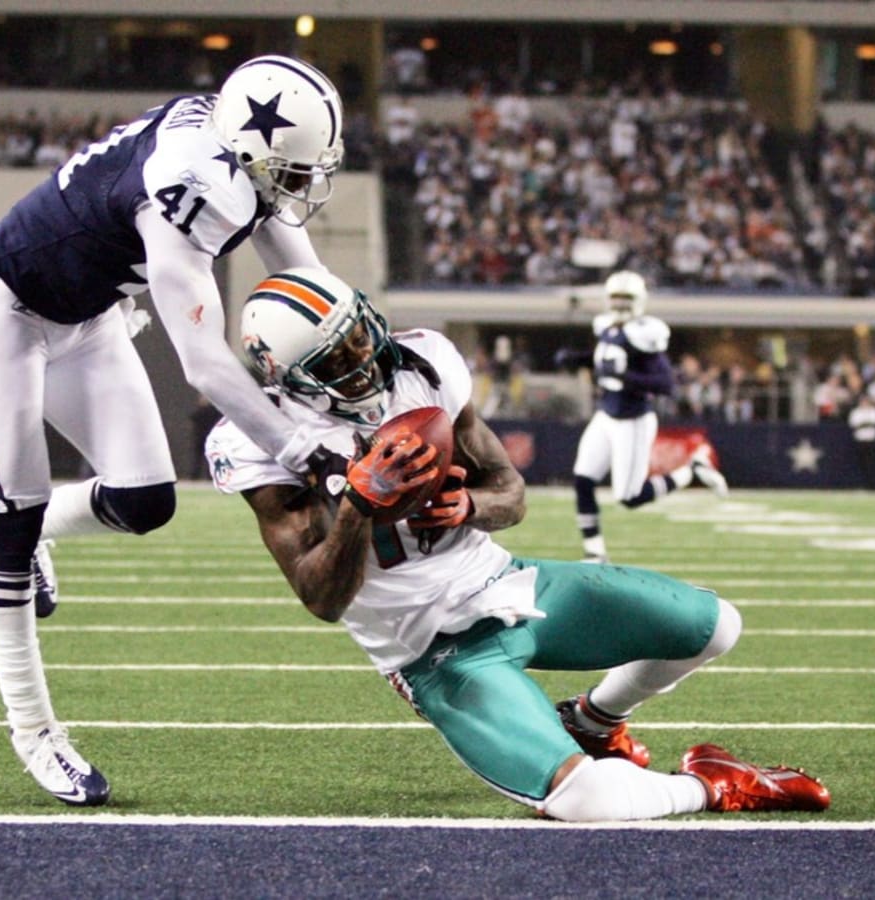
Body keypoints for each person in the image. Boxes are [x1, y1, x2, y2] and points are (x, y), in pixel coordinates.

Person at [204, 267, 830, 822]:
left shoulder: (421, 366)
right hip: (431, 649)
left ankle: (594, 722)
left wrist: (472, 505)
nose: (365, 356)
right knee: (588, 802)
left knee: (717, 624)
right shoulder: (261, 440)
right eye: (338, 358)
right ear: (289, 379)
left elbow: (510, 490)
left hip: (507, 582)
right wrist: (357, 509)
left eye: (360, 333)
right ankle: (714, 785)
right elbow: (320, 597)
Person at [0, 55, 348, 807]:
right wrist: (303, 448)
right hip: (4, 304)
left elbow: (310, 285)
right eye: (292, 170)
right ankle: (33, 731)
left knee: (145, 500)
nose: (301, 186)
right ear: (252, 153)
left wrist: (360, 358)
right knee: (13, 510)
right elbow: (205, 366)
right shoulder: (190, 187)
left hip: (87, 315)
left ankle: (41, 539)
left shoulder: (233, 151)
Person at [554, 270, 729, 563]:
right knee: (583, 479)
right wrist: (577, 359)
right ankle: (594, 551)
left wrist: (625, 376)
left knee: (630, 497)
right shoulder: (606, 327)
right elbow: (603, 361)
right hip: (606, 415)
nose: (620, 304)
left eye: (627, 298)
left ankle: (691, 471)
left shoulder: (646, 334)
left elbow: (665, 384)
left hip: (632, 420)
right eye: (616, 297)